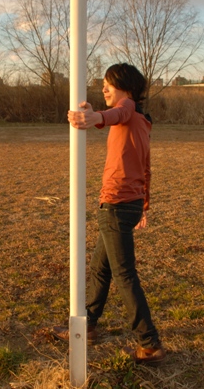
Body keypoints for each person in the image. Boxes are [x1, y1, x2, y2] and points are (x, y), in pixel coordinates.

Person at [53, 63, 166, 364]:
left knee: (124, 275)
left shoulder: (127, 109)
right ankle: (88, 325)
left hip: (116, 204)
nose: (103, 89)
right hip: (129, 204)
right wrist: (144, 205)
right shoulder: (141, 120)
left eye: (108, 84)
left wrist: (97, 117)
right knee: (100, 268)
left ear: (126, 88)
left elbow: (119, 111)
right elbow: (146, 166)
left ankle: (150, 344)